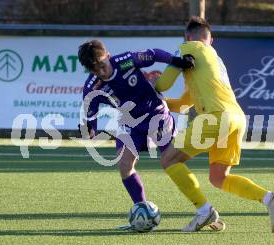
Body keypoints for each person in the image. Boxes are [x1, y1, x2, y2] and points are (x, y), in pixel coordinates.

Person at [156, 16, 274, 233]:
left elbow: (164, 83)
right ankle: (269, 198)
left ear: (187, 37)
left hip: (216, 117)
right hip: (237, 118)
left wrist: (149, 88)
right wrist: (160, 103)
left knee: (169, 159)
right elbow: (184, 104)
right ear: (211, 39)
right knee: (218, 177)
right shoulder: (213, 59)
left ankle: (204, 211)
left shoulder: (188, 47)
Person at [77, 40, 194, 209]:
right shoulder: (91, 87)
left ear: (108, 56)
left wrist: (177, 61)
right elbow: (90, 116)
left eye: (102, 64)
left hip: (156, 113)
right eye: (95, 69)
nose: (101, 71)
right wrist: (90, 129)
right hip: (130, 122)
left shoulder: (125, 61)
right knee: (124, 166)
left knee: (173, 162)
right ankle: (142, 209)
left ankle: (201, 207)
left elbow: (154, 54)